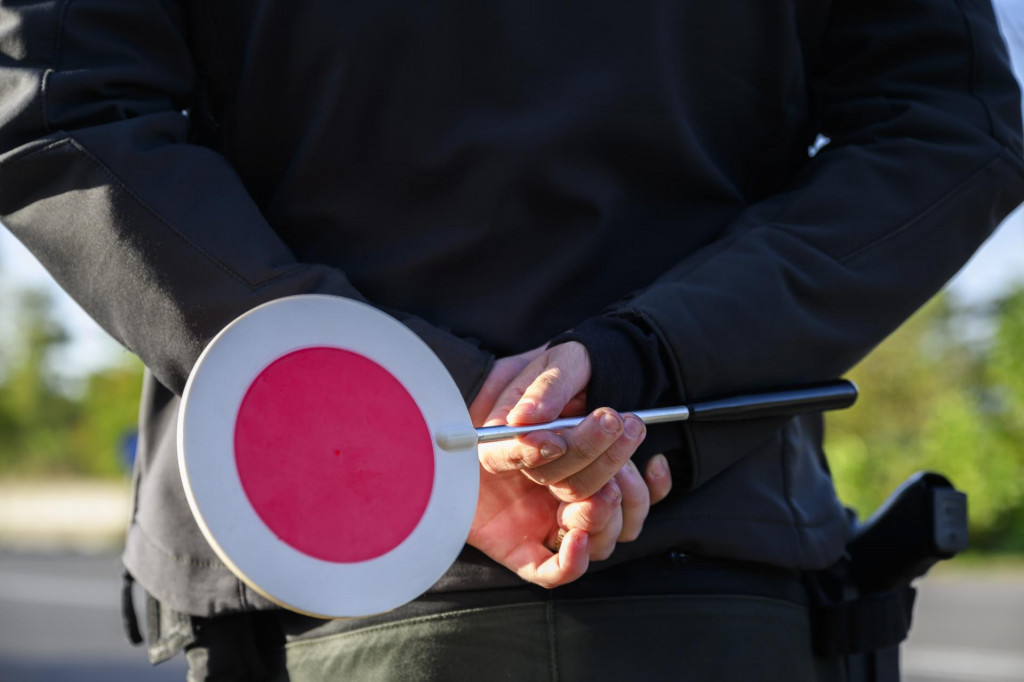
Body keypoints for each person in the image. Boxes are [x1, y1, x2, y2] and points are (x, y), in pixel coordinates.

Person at [0, 0, 1021, 679]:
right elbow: (951, 121)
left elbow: (58, 108)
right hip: (712, 564)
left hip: (315, 573)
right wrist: (651, 365)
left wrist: (406, 407)